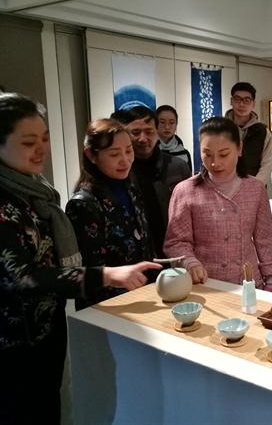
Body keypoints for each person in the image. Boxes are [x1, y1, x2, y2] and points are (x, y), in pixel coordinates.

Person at [0, 93, 161, 425]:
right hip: (13, 343)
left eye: (45, 138)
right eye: (28, 142)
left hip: (48, 331)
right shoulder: (12, 203)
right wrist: (106, 275)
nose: (41, 149)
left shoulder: (35, 193)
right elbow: (21, 276)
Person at [163, 116, 272, 291]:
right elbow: (176, 241)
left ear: (239, 149)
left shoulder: (255, 188)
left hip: (248, 283)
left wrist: (270, 281)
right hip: (205, 284)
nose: (215, 162)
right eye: (207, 154)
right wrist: (189, 262)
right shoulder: (185, 190)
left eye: (224, 154)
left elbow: (265, 239)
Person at [66, 118, 155, 310]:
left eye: (129, 151)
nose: (125, 160)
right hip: (108, 306)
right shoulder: (84, 204)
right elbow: (90, 272)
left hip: (143, 294)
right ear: (91, 155)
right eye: (114, 154)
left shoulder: (131, 188)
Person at [112, 106, 191, 258]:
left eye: (149, 132)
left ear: (157, 131)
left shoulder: (178, 167)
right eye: (135, 132)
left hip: (174, 251)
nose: (143, 138)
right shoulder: (121, 171)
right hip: (135, 255)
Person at [224, 82, 272, 185]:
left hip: (254, 188)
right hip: (224, 186)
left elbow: (267, 165)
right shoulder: (220, 128)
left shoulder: (263, 131)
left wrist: (253, 187)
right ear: (231, 101)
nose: (241, 104)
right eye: (237, 99)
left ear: (253, 104)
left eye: (246, 100)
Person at [156, 104, 192, 171]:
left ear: (176, 125)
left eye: (171, 123)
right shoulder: (148, 151)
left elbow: (188, 177)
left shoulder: (184, 153)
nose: (167, 127)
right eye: (162, 122)